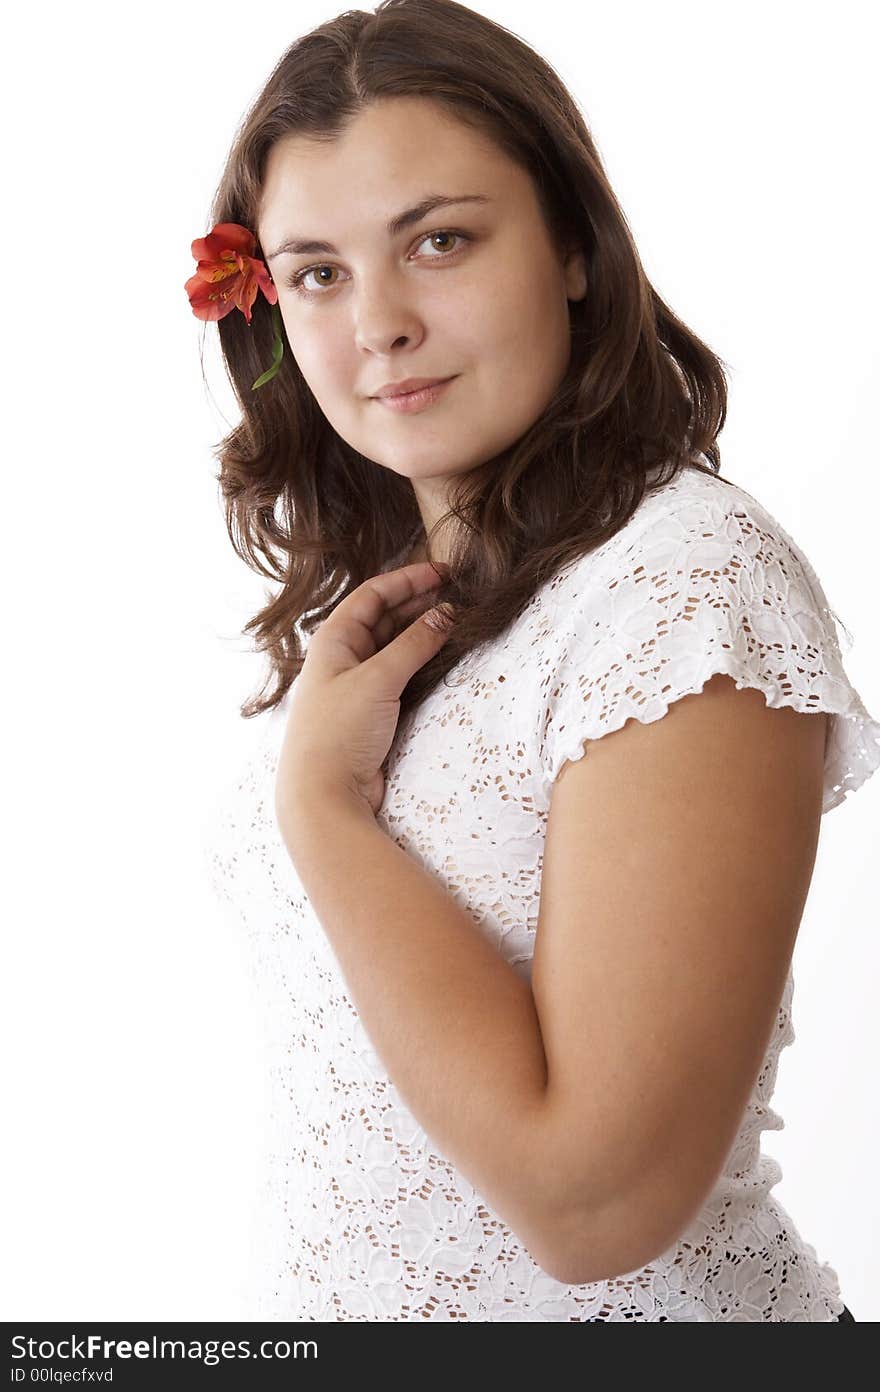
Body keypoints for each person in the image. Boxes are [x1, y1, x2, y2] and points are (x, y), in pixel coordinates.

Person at [196, 0, 878, 1321]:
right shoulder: (383, 605)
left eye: (439, 240)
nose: (377, 322)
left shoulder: (682, 587)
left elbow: (597, 1208)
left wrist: (325, 814)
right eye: (320, 271)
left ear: (574, 243)